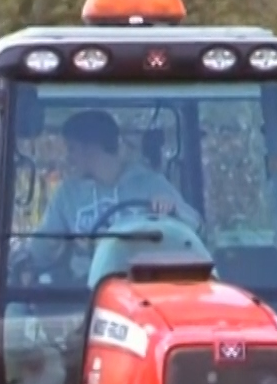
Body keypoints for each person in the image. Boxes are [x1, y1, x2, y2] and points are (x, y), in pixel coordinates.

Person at [12, 110, 200, 277]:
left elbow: (196, 228)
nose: (68, 158)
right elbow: (42, 250)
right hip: (83, 291)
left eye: (72, 149)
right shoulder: (68, 194)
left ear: (92, 148)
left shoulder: (150, 184)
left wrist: (172, 211)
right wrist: (28, 252)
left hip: (143, 284)